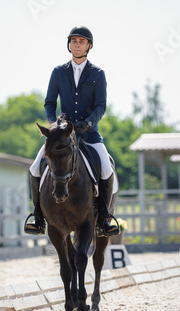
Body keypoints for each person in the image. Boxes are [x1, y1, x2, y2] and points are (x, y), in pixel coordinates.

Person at [24, 26, 119, 237]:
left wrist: (89, 123)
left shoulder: (98, 73)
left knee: (105, 169)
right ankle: (37, 216)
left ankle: (104, 217)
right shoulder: (58, 72)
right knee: (34, 168)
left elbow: (100, 106)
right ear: (69, 44)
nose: (77, 44)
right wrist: (52, 124)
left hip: (89, 134)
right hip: (62, 135)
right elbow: (49, 103)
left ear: (89, 46)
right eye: (74, 40)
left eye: (81, 41)